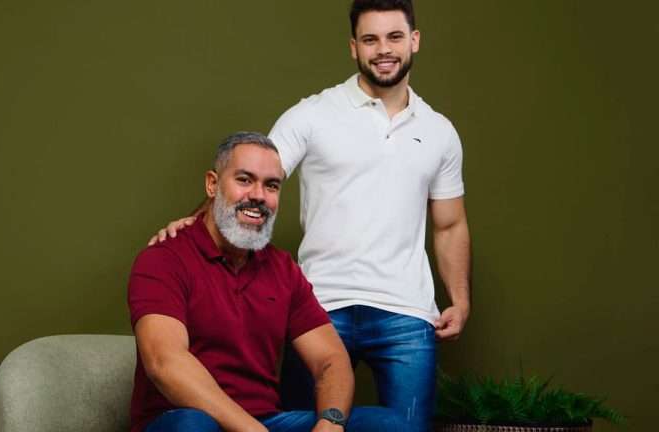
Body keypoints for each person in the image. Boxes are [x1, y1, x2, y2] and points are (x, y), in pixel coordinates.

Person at [149, 1, 471, 430]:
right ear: (353, 47)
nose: (383, 49)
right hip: (320, 304)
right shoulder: (312, 114)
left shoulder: (440, 132)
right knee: (301, 421)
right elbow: (251, 180)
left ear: (414, 40)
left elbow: (450, 224)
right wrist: (193, 224)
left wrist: (460, 300)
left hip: (406, 311)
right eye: (370, 39)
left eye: (394, 37)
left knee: (404, 428)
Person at [129, 132, 404, 432]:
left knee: (385, 424)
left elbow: (330, 359)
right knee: (193, 426)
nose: (259, 195)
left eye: (271, 185)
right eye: (244, 180)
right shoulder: (164, 259)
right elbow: (165, 362)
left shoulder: (282, 269)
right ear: (212, 184)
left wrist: (331, 422)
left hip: (267, 421)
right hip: (185, 420)